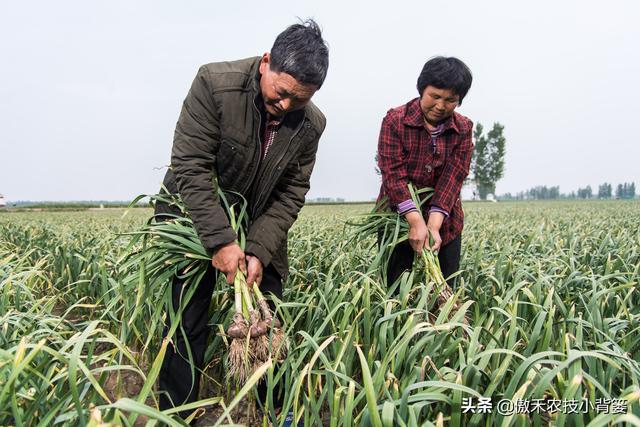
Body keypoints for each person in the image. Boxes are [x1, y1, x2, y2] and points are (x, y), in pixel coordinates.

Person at [154, 19, 328, 420]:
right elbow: (190, 166)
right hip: (192, 215)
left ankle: (275, 410)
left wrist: (258, 249)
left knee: (271, 312)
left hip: (259, 219)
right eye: (282, 93)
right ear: (267, 62)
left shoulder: (311, 124)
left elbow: (291, 192)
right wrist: (219, 241)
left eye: (298, 100)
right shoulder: (215, 84)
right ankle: (177, 413)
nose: (286, 105)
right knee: (187, 318)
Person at [376, 56, 473, 288]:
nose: (440, 106)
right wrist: (415, 220)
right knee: (396, 287)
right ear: (422, 89)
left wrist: (434, 225)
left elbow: (454, 177)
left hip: (445, 223)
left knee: (446, 284)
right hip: (397, 218)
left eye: (450, 100)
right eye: (435, 96)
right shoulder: (395, 121)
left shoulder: (463, 128)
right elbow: (393, 175)